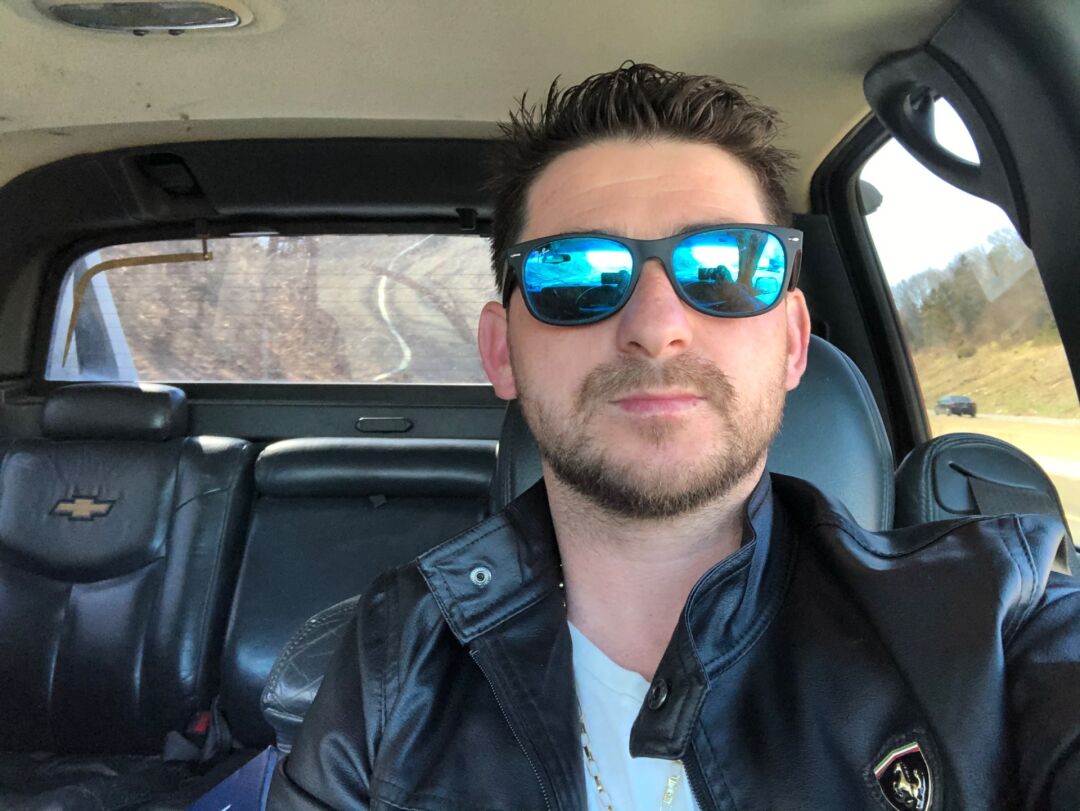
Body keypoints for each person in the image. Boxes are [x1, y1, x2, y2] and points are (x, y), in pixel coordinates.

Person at [267, 63, 1080, 810]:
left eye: (725, 267)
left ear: (793, 341)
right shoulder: (391, 668)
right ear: (500, 351)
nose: (656, 328)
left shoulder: (987, 619)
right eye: (576, 274)